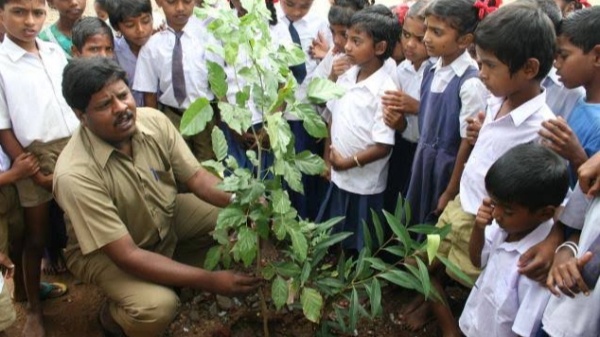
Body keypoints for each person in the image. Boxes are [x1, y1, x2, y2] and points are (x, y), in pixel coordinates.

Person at [55, 58, 261, 337]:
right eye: (104, 105)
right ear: (81, 115)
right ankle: (113, 318)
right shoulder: (74, 174)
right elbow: (126, 254)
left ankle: (169, 272)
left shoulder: (153, 121)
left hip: (162, 217)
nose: (121, 108)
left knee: (227, 216)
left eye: (123, 95)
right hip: (108, 252)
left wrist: (245, 202)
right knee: (158, 308)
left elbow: (198, 179)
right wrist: (211, 281)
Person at [398, 3, 557, 333]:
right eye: (479, 61)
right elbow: (473, 150)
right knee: (430, 261)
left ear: (528, 68)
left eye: (489, 65)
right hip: (460, 204)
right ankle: (433, 309)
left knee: (470, 278)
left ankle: (449, 326)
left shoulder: (543, 131)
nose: (480, 72)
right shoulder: (495, 100)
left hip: (486, 222)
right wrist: (451, 190)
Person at [0, 0, 79, 335]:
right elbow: (3, 128)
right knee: (36, 235)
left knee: (84, 218)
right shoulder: (2, 65)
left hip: (74, 146)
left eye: (36, 13)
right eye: (19, 12)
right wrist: (33, 172)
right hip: (34, 156)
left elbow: (71, 99)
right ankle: (34, 309)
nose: (29, 21)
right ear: (1, 14)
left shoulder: (52, 51)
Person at [460, 143, 569, 337]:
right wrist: (479, 227)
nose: (497, 213)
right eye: (494, 204)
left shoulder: (536, 267)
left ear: (545, 213)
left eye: (508, 210)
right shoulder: (504, 227)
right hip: (475, 326)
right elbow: (477, 260)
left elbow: (523, 330)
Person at [316, 5, 398, 252]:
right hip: (339, 174)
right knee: (337, 231)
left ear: (380, 48)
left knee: (361, 239)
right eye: (347, 39)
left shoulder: (386, 90)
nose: (347, 46)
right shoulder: (347, 76)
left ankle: (358, 281)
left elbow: (383, 146)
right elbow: (332, 116)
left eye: (356, 41)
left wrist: (347, 162)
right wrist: (328, 160)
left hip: (364, 182)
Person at [404, 0, 489, 227]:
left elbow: (467, 141)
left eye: (436, 32)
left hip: (447, 170)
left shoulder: (470, 83)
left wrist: (450, 190)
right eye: (427, 29)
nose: (426, 38)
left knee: (434, 226)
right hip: (424, 161)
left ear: (464, 40)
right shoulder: (431, 69)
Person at [134, 0, 220, 163]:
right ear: (159, 2)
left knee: (210, 164)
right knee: (179, 164)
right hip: (172, 115)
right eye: (172, 2)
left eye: (187, 1)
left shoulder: (207, 38)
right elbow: (149, 94)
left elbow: (219, 83)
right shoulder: (151, 46)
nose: (180, 8)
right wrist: (154, 129)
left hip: (205, 113)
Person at [275, 0, 332, 221]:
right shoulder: (268, 20)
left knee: (308, 171)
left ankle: (310, 222)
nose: (297, 11)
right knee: (285, 171)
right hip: (277, 112)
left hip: (309, 111)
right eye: (290, 5)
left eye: (304, 6)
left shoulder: (321, 21)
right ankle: (287, 221)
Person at [381, 0, 433, 213]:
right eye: (406, 35)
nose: (410, 44)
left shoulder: (434, 73)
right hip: (400, 147)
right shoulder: (401, 69)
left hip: (421, 154)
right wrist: (399, 122)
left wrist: (418, 107)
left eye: (419, 39)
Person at [539, 6, 600, 185]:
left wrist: (576, 156)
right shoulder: (579, 101)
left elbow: (591, 192)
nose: (556, 64)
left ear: (597, 57)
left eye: (563, 56)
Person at [0, 150, 40, 337]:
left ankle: (22, 289)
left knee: (19, 239)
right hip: (11, 177)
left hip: (12, 186)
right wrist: (13, 174)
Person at [109, 0, 153, 108]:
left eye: (145, 21)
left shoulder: (161, 44)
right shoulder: (113, 52)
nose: (140, 30)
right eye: (130, 25)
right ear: (116, 27)